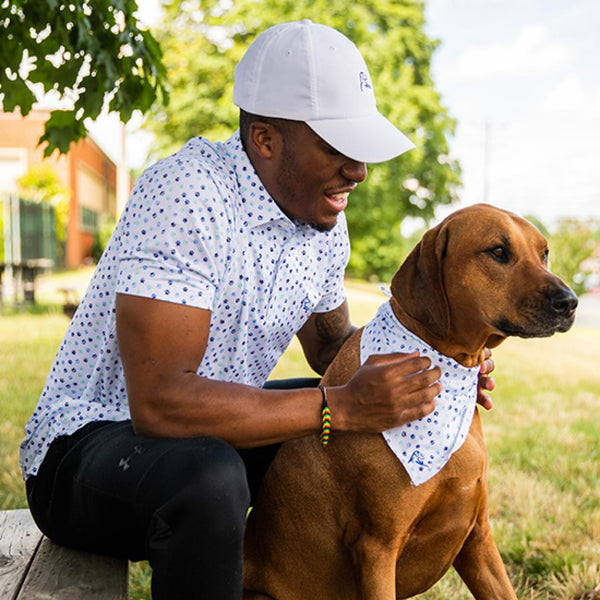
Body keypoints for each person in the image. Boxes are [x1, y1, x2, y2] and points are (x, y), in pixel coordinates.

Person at [20, 19, 495, 599]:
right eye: (337, 147)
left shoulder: (323, 223)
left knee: (351, 429)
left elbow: (331, 350)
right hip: (87, 453)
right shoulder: (186, 191)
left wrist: (431, 366)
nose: (359, 171)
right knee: (215, 476)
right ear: (266, 139)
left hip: (210, 437)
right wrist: (337, 407)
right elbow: (161, 405)